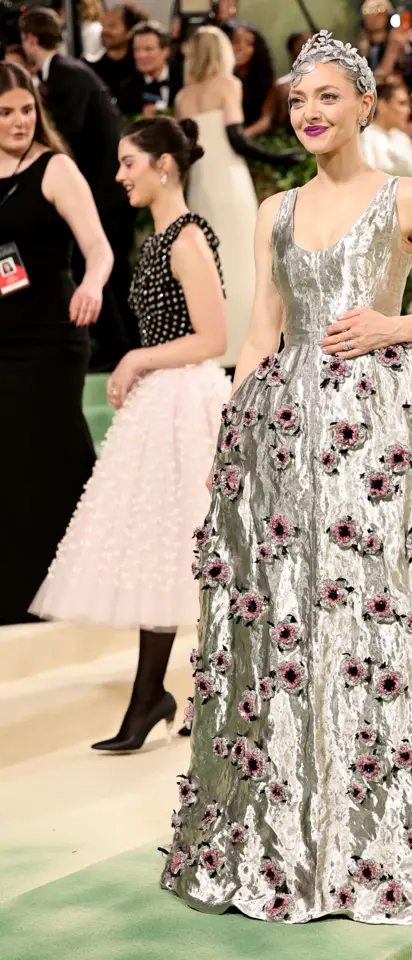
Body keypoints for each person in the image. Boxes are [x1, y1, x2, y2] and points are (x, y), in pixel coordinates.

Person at [161, 30, 412, 927]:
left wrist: (391, 328)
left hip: (381, 437)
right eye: (299, 100)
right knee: (288, 623)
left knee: (376, 616)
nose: (312, 113)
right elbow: (257, 338)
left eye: (328, 97)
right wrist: (228, 441)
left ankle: (379, 837)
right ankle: (286, 833)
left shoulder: (409, 198)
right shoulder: (273, 210)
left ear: (365, 104)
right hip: (284, 438)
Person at [31, 116, 231, 753]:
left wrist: (138, 359)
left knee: (192, 552)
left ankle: (183, 697)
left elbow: (214, 339)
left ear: (163, 164)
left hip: (187, 400)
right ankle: (155, 698)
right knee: (166, 551)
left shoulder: (187, 239)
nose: (118, 175)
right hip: (164, 401)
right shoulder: (162, 237)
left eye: (127, 163)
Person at [0, 61, 112, 625]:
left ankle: (81, 582)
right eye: (6, 112)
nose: (19, 121)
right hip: (2, 337)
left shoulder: (55, 167)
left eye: (26, 109)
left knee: (57, 450)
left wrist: (91, 285)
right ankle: (16, 590)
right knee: (9, 460)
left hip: (53, 335)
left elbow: (99, 249)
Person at [176, 27, 300, 371]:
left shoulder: (183, 97)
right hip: (229, 183)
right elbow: (236, 139)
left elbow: (187, 151)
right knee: (246, 262)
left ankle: (215, 344)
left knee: (213, 266)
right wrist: (279, 157)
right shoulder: (229, 86)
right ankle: (250, 345)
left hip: (200, 186)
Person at [20, 6, 136, 366]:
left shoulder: (66, 74)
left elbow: (65, 138)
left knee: (111, 274)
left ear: (29, 39)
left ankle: (120, 350)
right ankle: (116, 348)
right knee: (110, 274)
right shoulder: (65, 72)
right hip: (104, 192)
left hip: (106, 194)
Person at [118, 20, 182, 116]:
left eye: (148, 49)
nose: (141, 55)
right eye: (137, 50)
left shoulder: (184, 79)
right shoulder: (127, 89)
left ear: (165, 52)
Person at [89, 3, 148, 103]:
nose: (105, 31)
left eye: (112, 26)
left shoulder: (141, 68)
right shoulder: (92, 70)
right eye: (103, 26)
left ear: (130, 32)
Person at [360, 81, 412, 176]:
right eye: (402, 104)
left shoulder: (403, 139)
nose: (408, 111)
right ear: (382, 105)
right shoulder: (365, 136)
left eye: (408, 105)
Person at [228, 20, 276, 137]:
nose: (241, 47)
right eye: (235, 41)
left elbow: (266, 120)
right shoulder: (222, 79)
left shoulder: (265, 80)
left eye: (249, 43)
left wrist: (241, 137)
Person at [358, 0, 412, 83]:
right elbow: (376, 80)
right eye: (367, 12)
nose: (373, 16)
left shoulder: (398, 40)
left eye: (380, 11)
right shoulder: (357, 47)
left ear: (389, 16)